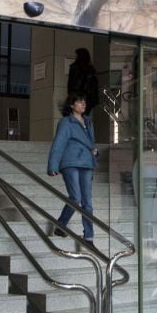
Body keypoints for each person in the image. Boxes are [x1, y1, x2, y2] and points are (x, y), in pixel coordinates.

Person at [47, 92, 99, 243]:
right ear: (71, 105)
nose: (83, 104)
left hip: (87, 163)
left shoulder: (88, 122)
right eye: (80, 102)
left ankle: (88, 236)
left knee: (87, 202)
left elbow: (91, 143)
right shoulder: (66, 122)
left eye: (84, 102)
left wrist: (95, 151)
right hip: (70, 163)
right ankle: (61, 224)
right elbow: (58, 144)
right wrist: (53, 165)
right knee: (76, 198)